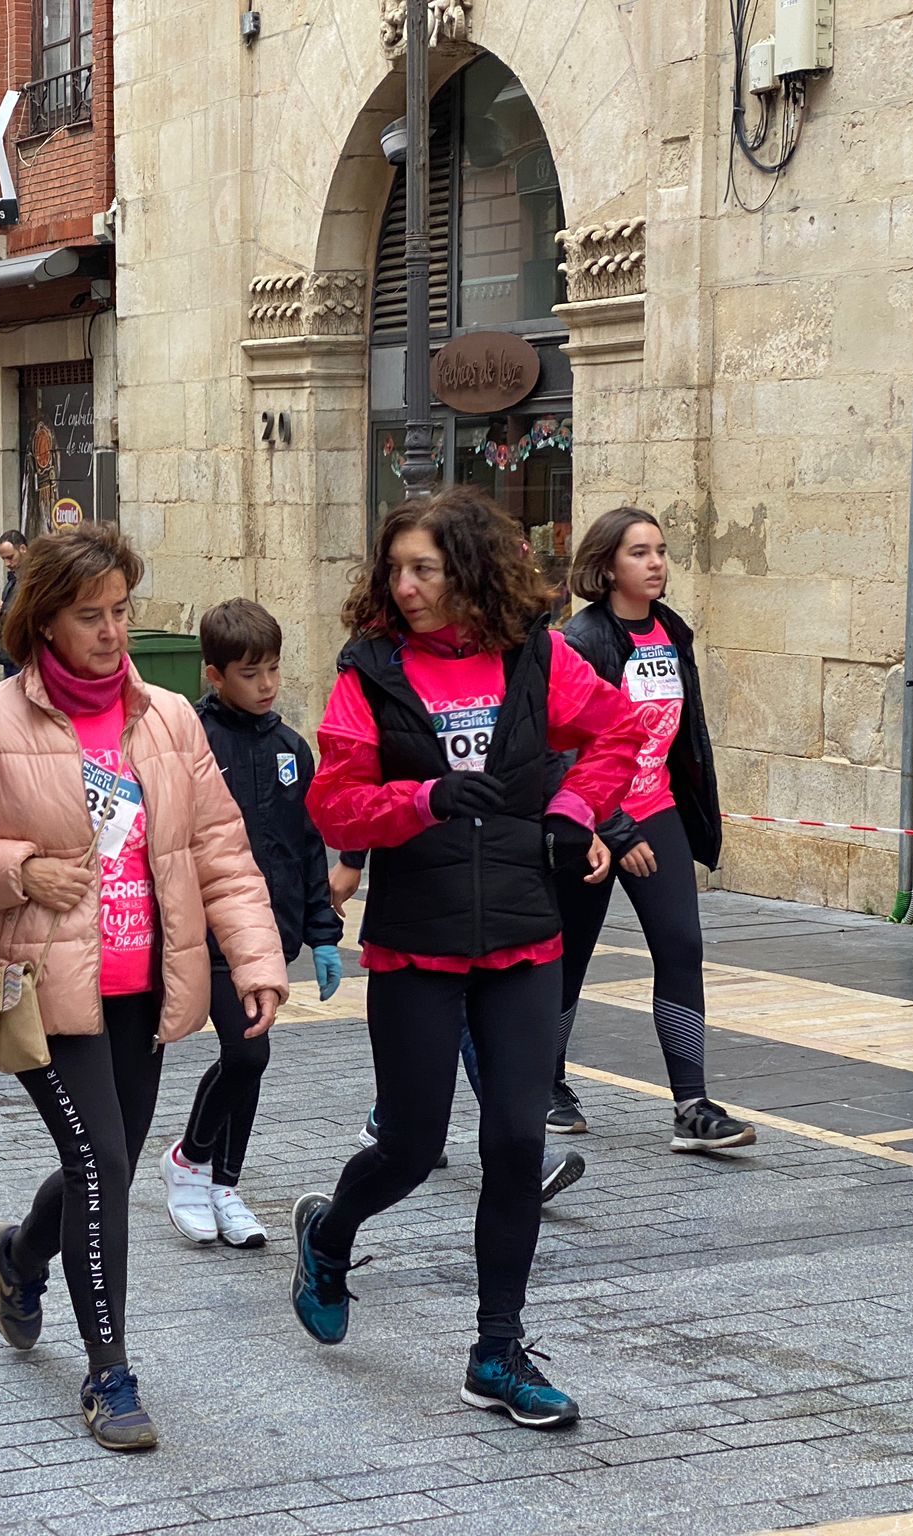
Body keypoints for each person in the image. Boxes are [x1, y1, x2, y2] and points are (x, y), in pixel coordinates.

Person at [0, 523, 288, 1452]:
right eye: (91, 615)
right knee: (104, 1167)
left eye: (122, 611)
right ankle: (109, 1372)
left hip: (147, 993)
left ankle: (19, 1252)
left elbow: (220, 852)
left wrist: (257, 961)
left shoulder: (169, 720)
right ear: (44, 619)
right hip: (41, 994)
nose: (113, 632)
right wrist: (16, 869)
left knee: (95, 1166)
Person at [290, 487, 648, 1432]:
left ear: (470, 572)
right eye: (396, 568)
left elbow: (619, 734)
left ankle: (498, 1350)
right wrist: (420, 801)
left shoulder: (534, 655)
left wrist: (575, 816)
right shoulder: (369, 670)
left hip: (526, 933)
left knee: (517, 1143)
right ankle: (328, 1235)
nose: (405, 586)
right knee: (411, 1146)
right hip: (417, 940)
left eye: (426, 569)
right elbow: (334, 804)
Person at [554, 508, 755, 1152]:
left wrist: (684, 813)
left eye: (661, 551)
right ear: (608, 566)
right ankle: (545, 1084)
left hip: (656, 810)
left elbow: (679, 739)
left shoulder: (672, 633)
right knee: (568, 958)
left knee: (681, 945)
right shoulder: (581, 640)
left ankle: (692, 1106)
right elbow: (568, 749)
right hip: (587, 819)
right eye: (640, 553)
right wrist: (612, 829)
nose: (656, 563)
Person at [157, 599, 342, 1250]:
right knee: (247, 1050)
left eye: (273, 671)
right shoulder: (191, 740)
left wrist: (322, 932)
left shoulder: (293, 748)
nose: (266, 686)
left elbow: (308, 843)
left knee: (251, 1063)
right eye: (250, 673)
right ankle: (187, 1160)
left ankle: (223, 1184)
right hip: (205, 934)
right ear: (214, 674)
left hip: (272, 933)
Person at [0, 529, 27, 676]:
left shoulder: (34, 577)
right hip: (10, 653)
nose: (7, 563)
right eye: (3, 559)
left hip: (23, 654)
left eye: (10, 557)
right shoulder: (14, 577)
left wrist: (4, 607)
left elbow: (32, 611)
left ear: (23, 549)